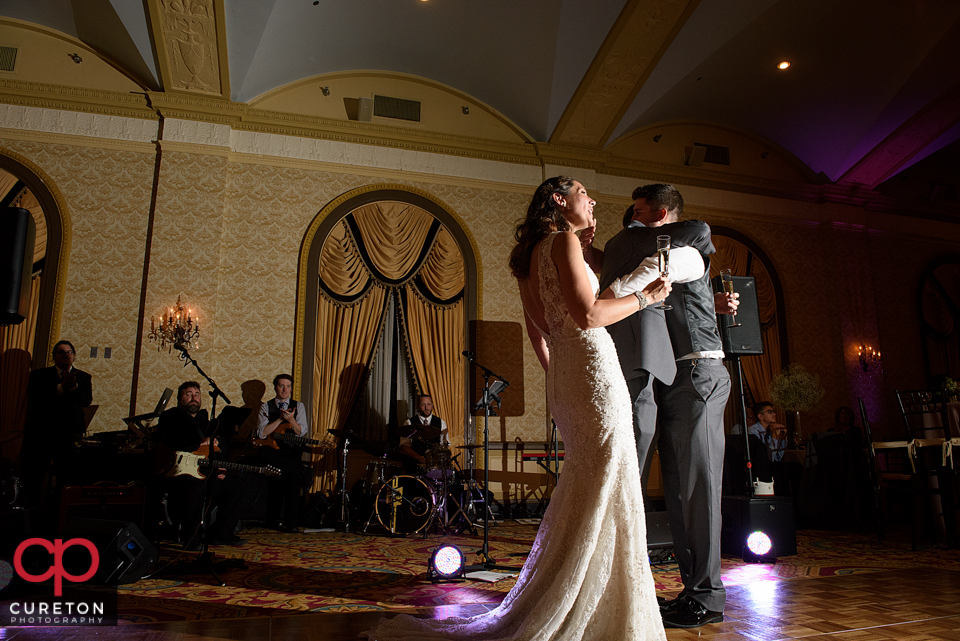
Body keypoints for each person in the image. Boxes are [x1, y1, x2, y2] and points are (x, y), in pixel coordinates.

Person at [364, 176, 671, 640]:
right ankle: (594, 606)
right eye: (583, 192)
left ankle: (581, 595)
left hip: (570, 375)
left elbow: (540, 333)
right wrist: (645, 297)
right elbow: (589, 316)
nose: (591, 200)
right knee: (609, 478)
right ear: (558, 200)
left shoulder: (531, 255)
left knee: (591, 482)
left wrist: (561, 378)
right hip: (592, 369)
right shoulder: (564, 241)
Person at [597, 184, 731, 628]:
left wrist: (603, 300)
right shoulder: (665, 257)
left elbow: (656, 270)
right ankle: (694, 593)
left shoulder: (687, 248)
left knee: (699, 489)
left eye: (640, 213)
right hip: (671, 378)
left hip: (700, 376)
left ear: (661, 212)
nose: (633, 220)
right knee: (677, 493)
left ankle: (708, 598)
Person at [154, 381, 246, 549]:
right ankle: (191, 538)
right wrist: (202, 441)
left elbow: (211, 451)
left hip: (202, 472)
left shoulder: (204, 421)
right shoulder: (170, 417)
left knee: (236, 486)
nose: (193, 398)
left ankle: (221, 534)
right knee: (196, 488)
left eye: (197, 395)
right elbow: (173, 441)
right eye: (188, 394)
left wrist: (218, 466)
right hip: (177, 473)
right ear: (180, 399)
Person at [20, 340, 93, 506]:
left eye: (69, 352)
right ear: (54, 357)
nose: (66, 355)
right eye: (61, 352)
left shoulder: (83, 377)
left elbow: (85, 401)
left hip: (69, 434)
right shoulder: (39, 375)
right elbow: (37, 397)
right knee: (35, 476)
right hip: (42, 434)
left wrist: (73, 387)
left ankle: (61, 509)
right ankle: (32, 511)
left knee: (66, 476)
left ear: (73, 356)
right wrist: (61, 387)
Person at [254, 374, 312, 531]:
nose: (285, 389)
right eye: (281, 386)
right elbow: (261, 433)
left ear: (292, 389)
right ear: (275, 388)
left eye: (288, 386)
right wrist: (279, 419)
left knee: (291, 476)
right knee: (291, 470)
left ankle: (290, 523)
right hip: (271, 450)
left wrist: (292, 420)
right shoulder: (266, 406)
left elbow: (301, 432)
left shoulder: (298, 406)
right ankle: (303, 472)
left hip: (290, 450)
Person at [398, 394, 449, 473]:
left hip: (435, 466)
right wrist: (419, 457)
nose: (426, 408)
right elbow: (404, 446)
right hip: (415, 465)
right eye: (423, 405)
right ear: (418, 406)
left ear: (432, 405)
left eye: (428, 404)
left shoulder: (441, 422)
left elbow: (445, 444)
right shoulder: (409, 423)